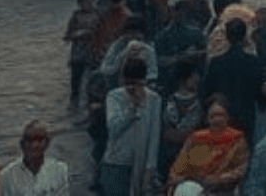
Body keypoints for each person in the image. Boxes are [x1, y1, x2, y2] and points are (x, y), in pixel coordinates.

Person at [103, 57, 163, 196]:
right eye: (128, 83)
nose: (132, 88)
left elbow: (154, 135)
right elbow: (113, 129)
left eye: (136, 83)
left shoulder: (154, 99)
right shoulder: (114, 97)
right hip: (116, 162)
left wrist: (151, 167)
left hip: (141, 164)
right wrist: (132, 108)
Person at [168, 100, 250, 196]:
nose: (216, 119)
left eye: (220, 115)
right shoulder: (195, 138)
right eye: (213, 116)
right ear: (207, 119)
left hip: (224, 190)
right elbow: (178, 169)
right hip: (196, 185)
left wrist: (220, 179)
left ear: (227, 118)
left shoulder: (237, 140)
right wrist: (190, 178)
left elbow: (241, 169)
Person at [0, 119, 71, 196]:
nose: (34, 145)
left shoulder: (60, 170)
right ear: (22, 144)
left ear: (47, 142)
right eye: (29, 140)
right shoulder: (6, 176)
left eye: (39, 139)